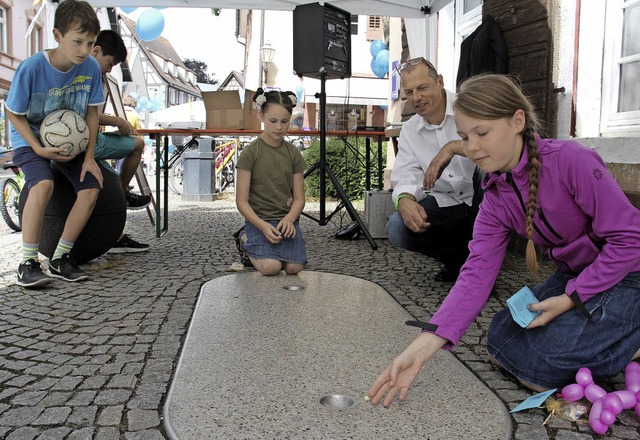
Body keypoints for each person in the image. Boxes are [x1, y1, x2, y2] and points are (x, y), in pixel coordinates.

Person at [368, 74, 640, 407]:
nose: (472, 148)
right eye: (465, 138)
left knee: (539, 363)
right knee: (500, 335)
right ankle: (607, 331)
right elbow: (476, 275)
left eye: (482, 133)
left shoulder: (571, 160)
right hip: (577, 275)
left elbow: (630, 239)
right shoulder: (495, 194)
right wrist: (421, 348)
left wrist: (571, 298)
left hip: (629, 272)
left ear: (517, 121)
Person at [7, 0, 104, 286]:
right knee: (44, 183)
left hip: (72, 142)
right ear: (57, 35)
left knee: (91, 187)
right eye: (77, 41)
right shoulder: (31, 68)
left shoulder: (90, 68)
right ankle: (27, 262)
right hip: (31, 139)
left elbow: (92, 114)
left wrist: (88, 158)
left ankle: (61, 258)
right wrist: (37, 148)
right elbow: (13, 112)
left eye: (90, 43)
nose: (84, 50)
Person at [387, 57, 479, 282]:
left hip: (485, 200)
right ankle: (460, 261)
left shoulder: (470, 107)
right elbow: (406, 175)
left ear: (439, 81)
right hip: (447, 203)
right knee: (397, 226)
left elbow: (497, 149)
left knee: (486, 172)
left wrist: (452, 147)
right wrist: (405, 200)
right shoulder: (410, 130)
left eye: (423, 88)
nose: (416, 98)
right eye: (409, 92)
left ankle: (481, 268)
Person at [235, 88, 307, 276]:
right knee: (271, 268)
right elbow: (241, 201)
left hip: (286, 221)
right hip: (259, 221)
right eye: (273, 121)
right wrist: (262, 225)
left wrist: (290, 219)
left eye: (284, 122)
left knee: (294, 268)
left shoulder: (293, 154)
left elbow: (299, 198)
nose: (279, 127)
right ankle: (245, 239)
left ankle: (263, 246)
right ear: (261, 115)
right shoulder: (251, 153)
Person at [90, 29, 149, 253]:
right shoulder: (91, 73)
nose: (110, 69)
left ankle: (117, 234)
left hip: (89, 138)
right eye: (110, 63)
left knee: (112, 177)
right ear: (97, 51)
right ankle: (121, 195)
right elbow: (89, 114)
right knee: (138, 145)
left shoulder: (91, 71)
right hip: (88, 142)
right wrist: (118, 121)